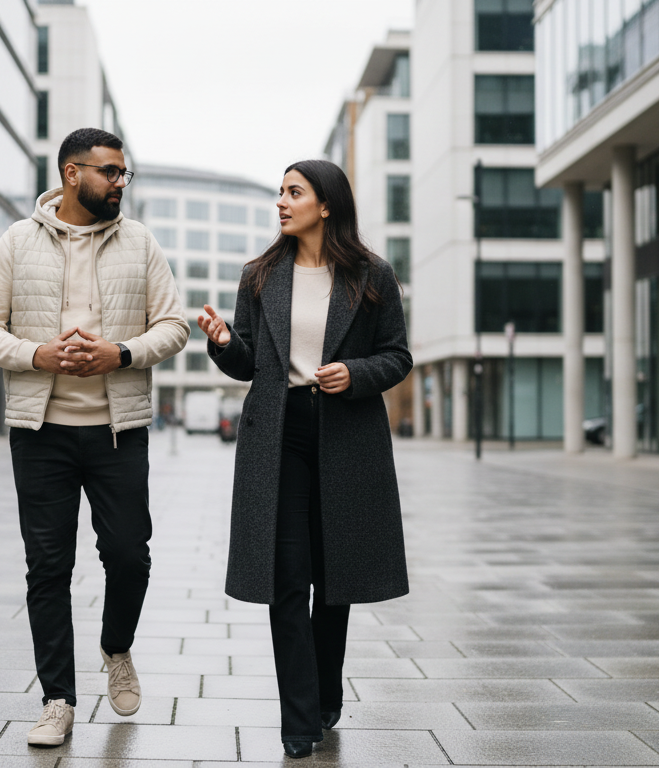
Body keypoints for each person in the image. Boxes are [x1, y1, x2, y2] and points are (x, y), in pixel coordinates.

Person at [0, 127, 189, 747]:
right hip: (41, 433)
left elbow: (173, 327)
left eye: (124, 174)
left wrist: (119, 353)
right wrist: (37, 355)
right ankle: (57, 699)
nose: (120, 183)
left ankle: (116, 648)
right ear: (72, 173)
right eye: (110, 172)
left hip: (119, 431)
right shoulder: (17, 241)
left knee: (128, 556)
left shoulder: (140, 242)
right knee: (48, 567)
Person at [198, 159, 412, 758]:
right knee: (287, 579)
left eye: (294, 192)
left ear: (326, 205)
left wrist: (357, 372)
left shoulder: (373, 276)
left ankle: (323, 694)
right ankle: (299, 720)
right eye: (281, 192)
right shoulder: (260, 276)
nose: (281, 202)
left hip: (346, 434)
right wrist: (222, 343)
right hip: (279, 435)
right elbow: (249, 365)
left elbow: (398, 357)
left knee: (334, 577)